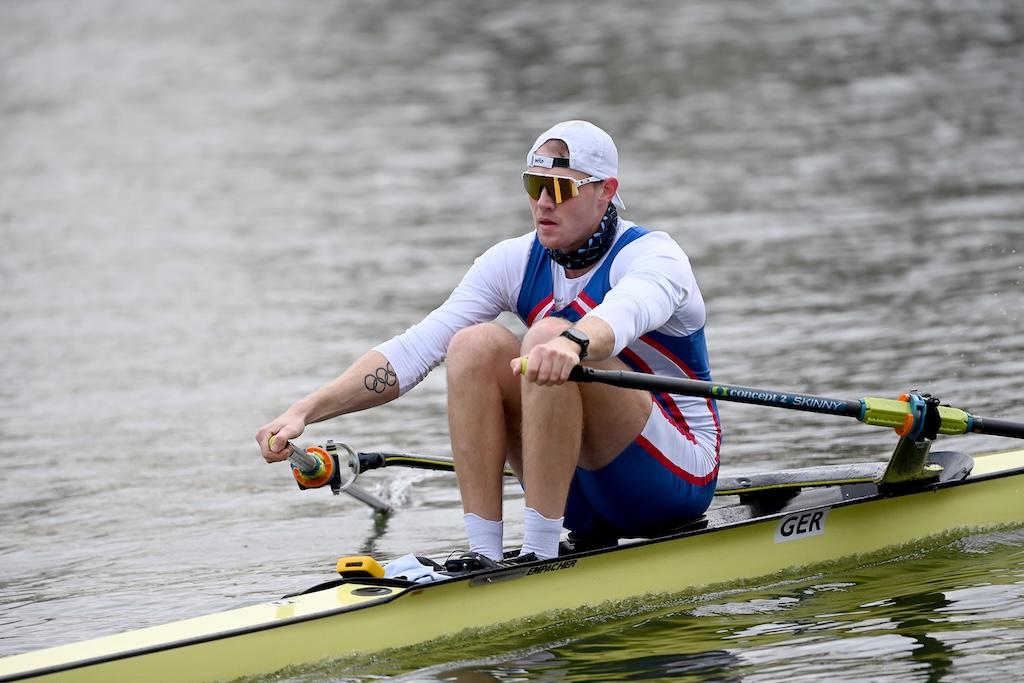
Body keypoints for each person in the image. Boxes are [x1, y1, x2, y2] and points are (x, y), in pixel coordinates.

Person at [256, 120, 721, 562]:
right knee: (472, 344)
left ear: (606, 191)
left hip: (672, 481)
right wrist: (305, 411)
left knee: (546, 334)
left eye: (560, 189)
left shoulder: (654, 256)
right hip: (575, 496)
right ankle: (486, 552)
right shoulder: (512, 261)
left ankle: (539, 552)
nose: (543, 203)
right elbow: (416, 350)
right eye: (534, 186)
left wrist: (571, 343)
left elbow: (628, 311)